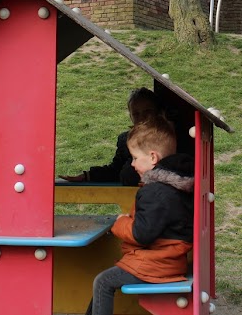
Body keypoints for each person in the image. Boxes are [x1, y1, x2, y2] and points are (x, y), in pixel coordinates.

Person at [85, 117, 194, 315]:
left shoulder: (156, 192)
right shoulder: (173, 186)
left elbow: (141, 234)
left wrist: (121, 222)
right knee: (106, 278)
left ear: (153, 157)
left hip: (156, 264)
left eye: (135, 158)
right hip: (166, 260)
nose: (133, 164)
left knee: (103, 282)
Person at [60, 87, 175, 186]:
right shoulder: (125, 140)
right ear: (130, 116)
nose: (142, 117)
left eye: (148, 112)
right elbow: (115, 170)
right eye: (136, 114)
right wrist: (87, 176)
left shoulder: (167, 139)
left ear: (158, 113)